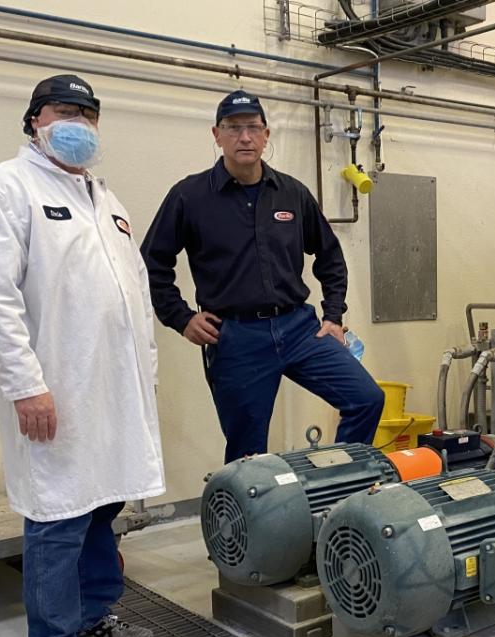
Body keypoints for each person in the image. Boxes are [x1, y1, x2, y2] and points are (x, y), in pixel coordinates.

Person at [0, 74, 165, 637]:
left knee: (103, 505)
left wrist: (146, 377)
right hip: (56, 387)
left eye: (87, 112)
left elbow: (136, 295)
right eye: (62, 110)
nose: (76, 122)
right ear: (33, 121)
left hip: (113, 390)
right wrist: (26, 385)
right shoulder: (5, 188)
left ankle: (93, 613)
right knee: (57, 514)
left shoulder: (109, 201)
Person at [141, 89, 384, 463]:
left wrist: (333, 316)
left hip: (300, 329)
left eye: (253, 128)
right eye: (233, 128)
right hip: (237, 339)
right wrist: (181, 318)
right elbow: (152, 263)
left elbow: (330, 256)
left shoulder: (292, 193)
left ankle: (337, 487)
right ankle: (242, 522)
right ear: (216, 135)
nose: (245, 137)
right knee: (247, 455)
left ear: (266, 134)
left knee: (366, 399)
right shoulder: (190, 196)